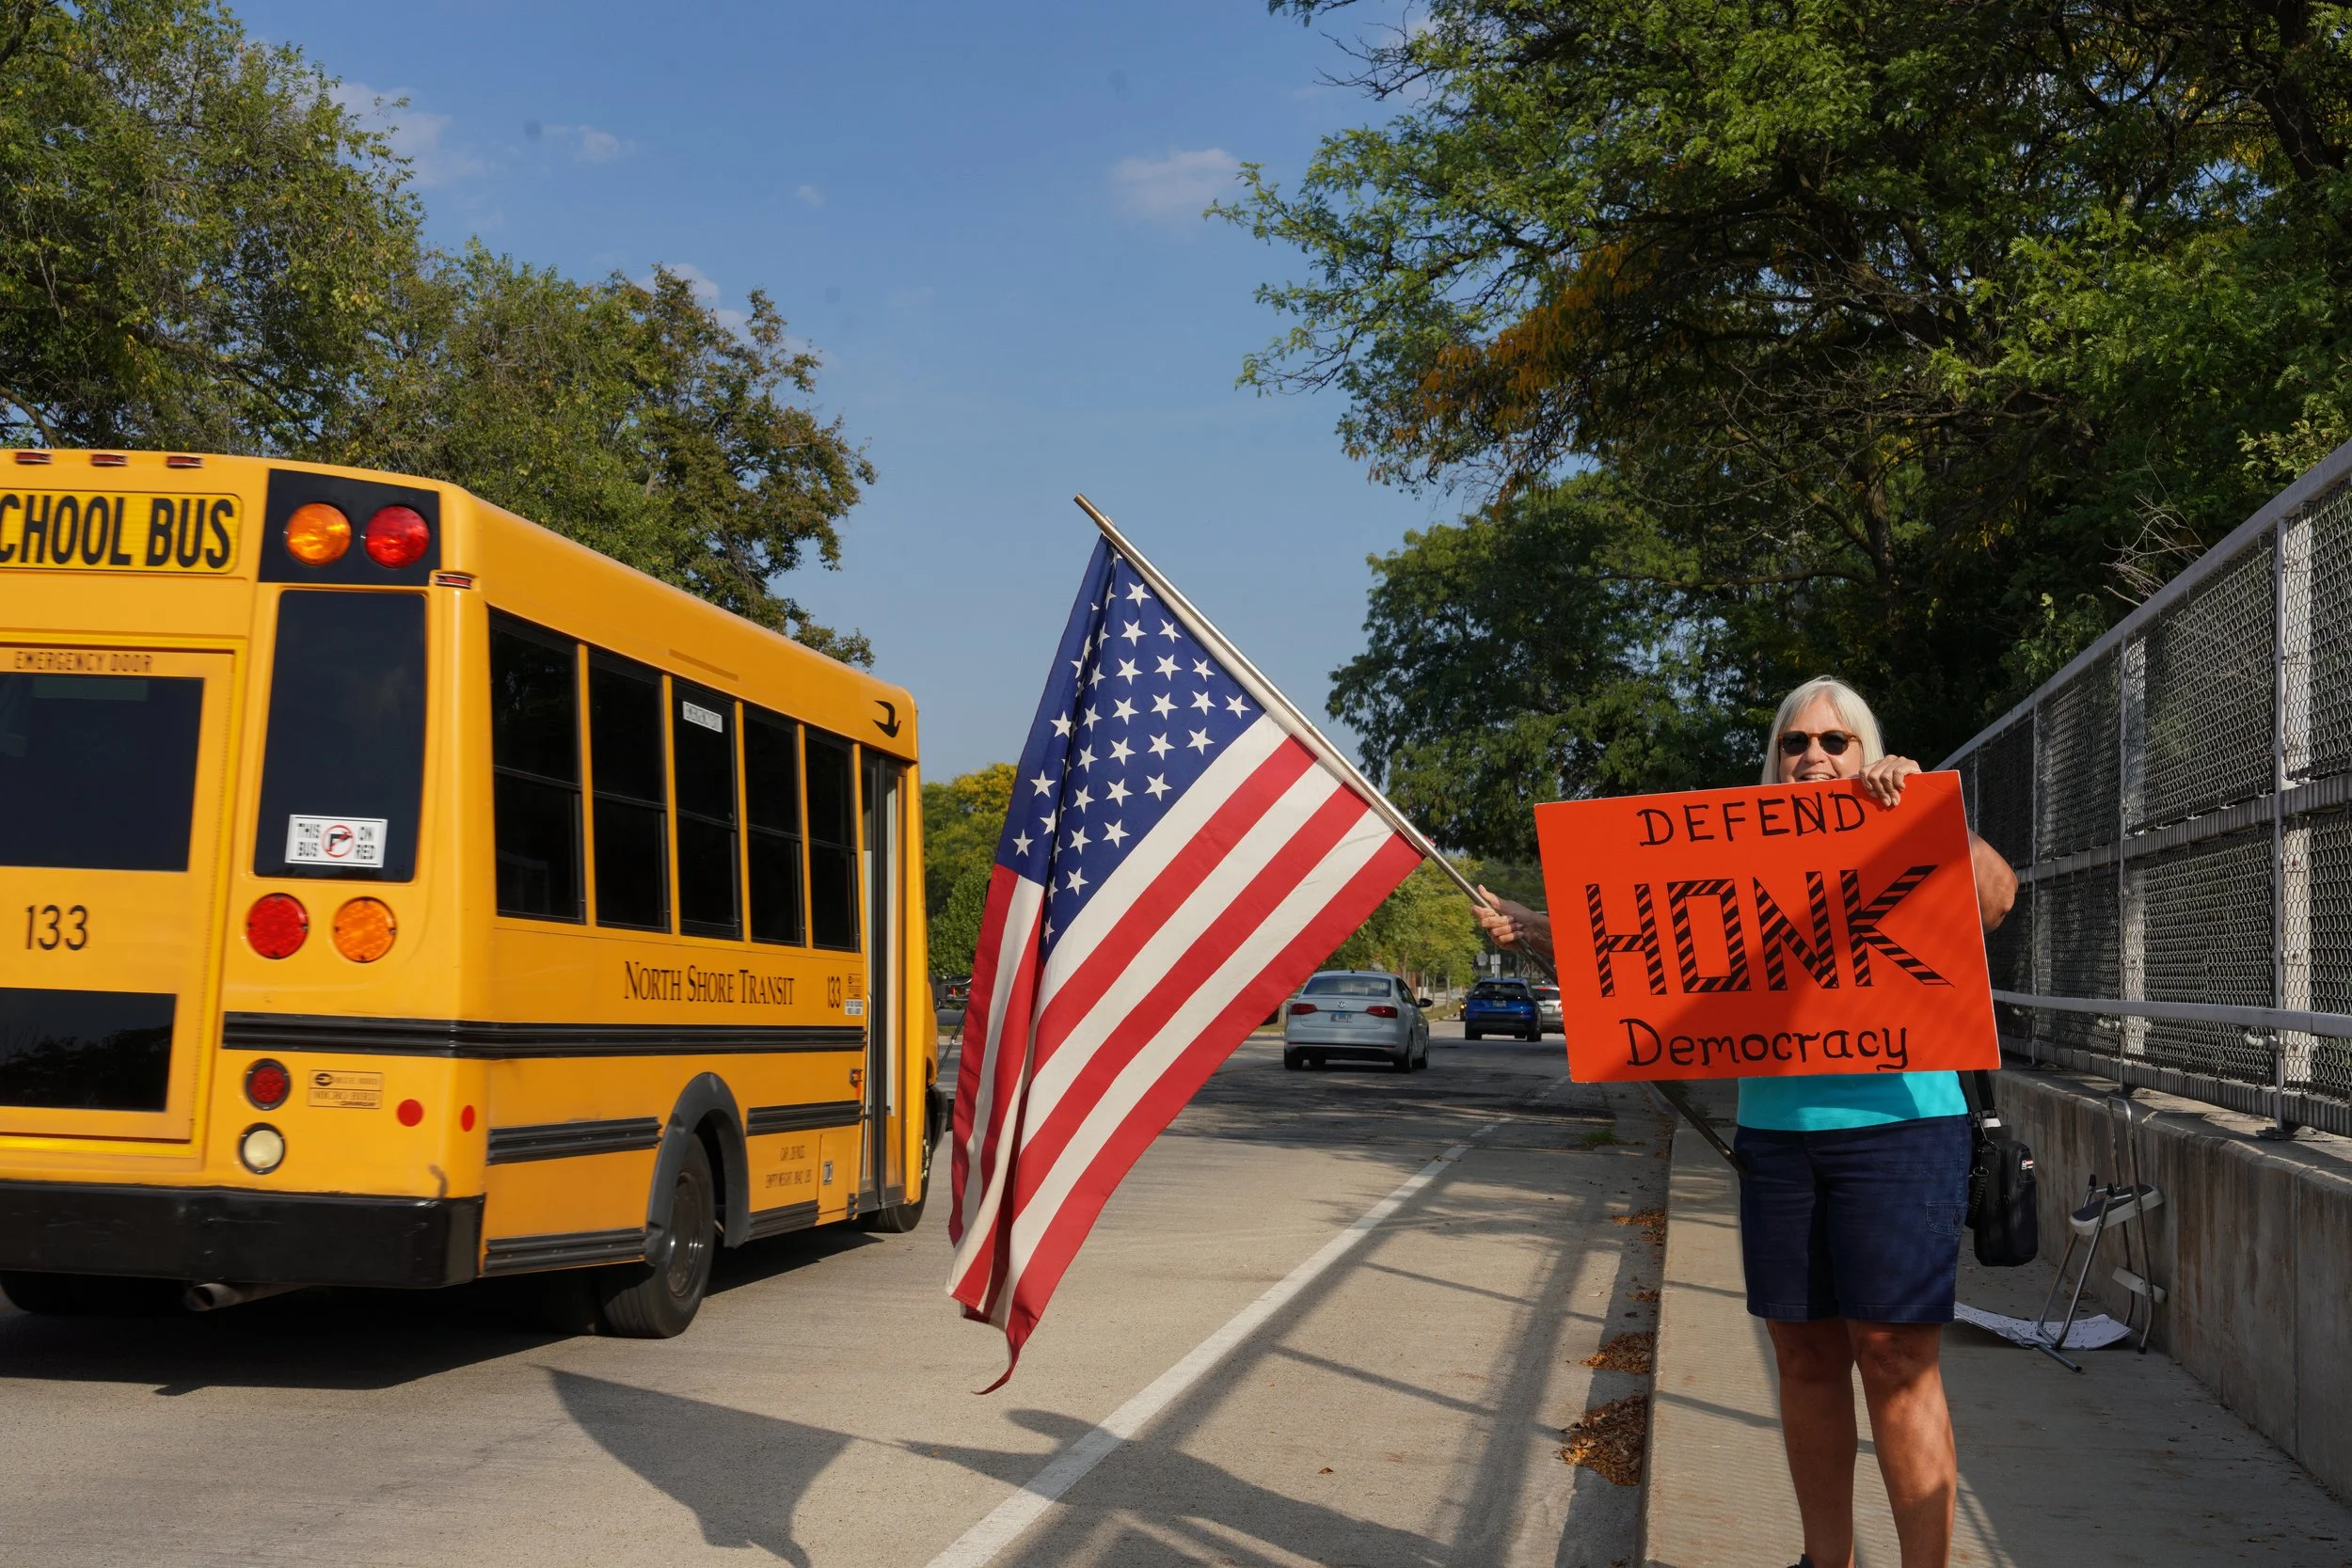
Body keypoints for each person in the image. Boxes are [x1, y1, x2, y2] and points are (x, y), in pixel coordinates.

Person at [1473, 675, 2016, 1568]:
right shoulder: (1737, 855)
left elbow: (1995, 898)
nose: (1813, 756)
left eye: (1834, 742)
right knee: (1803, 1357)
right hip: (1781, 1134)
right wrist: (1531, 927)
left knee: (1894, 1359)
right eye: (1795, 742)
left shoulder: (1906, 817)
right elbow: (1644, 945)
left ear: (1865, 752)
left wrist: (1924, 808)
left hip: (1904, 1126)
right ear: (1774, 759)